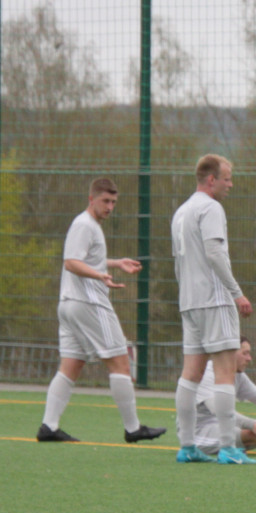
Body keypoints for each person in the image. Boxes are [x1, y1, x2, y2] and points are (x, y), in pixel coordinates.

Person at [37, 178, 167, 444]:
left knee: (71, 365)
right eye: (105, 201)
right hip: (89, 304)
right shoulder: (85, 225)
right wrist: (100, 276)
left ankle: (48, 427)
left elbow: (84, 258)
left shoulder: (89, 226)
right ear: (91, 199)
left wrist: (115, 263)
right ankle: (133, 429)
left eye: (113, 202)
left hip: (69, 304)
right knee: (120, 361)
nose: (109, 207)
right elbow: (72, 263)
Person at [171, 154, 256, 465]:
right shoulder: (211, 208)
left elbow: (179, 262)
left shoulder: (181, 212)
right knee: (224, 373)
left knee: (190, 375)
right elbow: (214, 252)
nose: (230, 184)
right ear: (211, 180)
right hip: (215, 300)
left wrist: (187, 298)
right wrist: (237, 293)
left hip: (189, 302)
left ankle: (187, 446)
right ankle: (227, 448)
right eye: (227, 178)